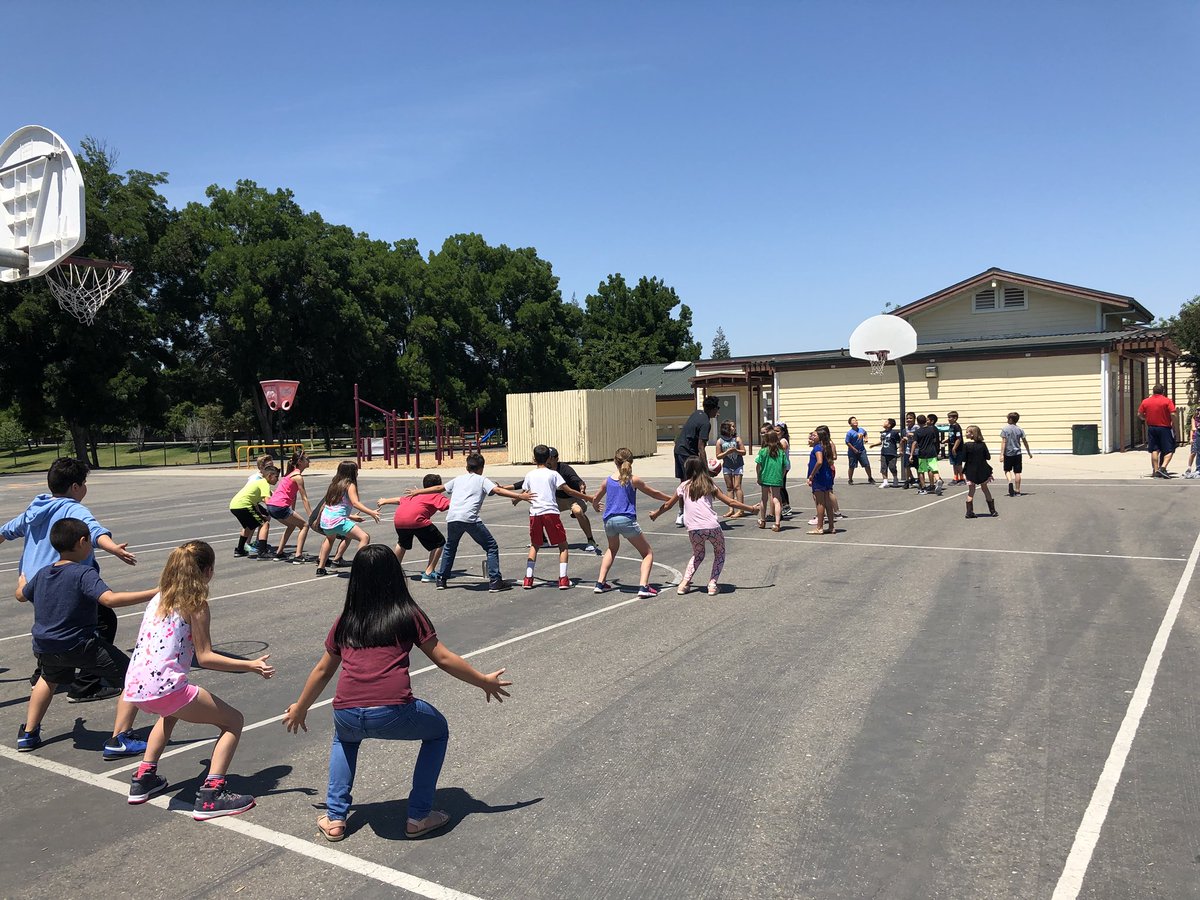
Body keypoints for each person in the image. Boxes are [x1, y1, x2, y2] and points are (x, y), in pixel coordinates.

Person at [283, 545, 511, 842]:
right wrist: (482, 680)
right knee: (437, 731)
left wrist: (301, 707)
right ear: (395, 576)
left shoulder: (346, 620)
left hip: (347, 712)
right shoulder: (408, 614)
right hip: (393, 711)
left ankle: (336, 818)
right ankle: (419, 816)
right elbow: (442, 658)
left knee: (344, 739)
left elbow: (323, 670)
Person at [122, 540, 275, 815]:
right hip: (166, 687)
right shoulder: (196, 604)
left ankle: (144, 778)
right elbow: (205, 657)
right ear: (206, 571)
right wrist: (249, 665)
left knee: (169, 714)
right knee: (233, 721)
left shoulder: (158, 599)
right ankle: (212, 794)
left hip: (135, 688)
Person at [15, 518, 158, 757]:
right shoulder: (83, 573)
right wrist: (155, 592)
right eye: (90, 543)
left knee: (48, 679)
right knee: (132, 677)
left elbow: (21, 595)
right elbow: (109, 600)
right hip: (79, 644)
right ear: (82, 542)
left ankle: (28, 733)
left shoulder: (42, 573)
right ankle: (119, 738)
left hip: (45, 645)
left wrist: (22, 583)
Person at [1, 457, 138, 703]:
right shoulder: (73, 509)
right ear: (75, 487)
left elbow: (5, 531)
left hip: (34, 582)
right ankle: (86, 685)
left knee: (51, 624)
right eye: (84, 483)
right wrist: (114, 548)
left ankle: (43, 672)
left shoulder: (36, 508)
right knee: (103, 620)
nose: (85, 488)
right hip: (65, 579)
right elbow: (93, 532)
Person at [406, 452, 531, 592]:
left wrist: (419, 492)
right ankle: (495, 581)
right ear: (481, 468)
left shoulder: (458, 479)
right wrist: (521, 496)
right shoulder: (482, 479)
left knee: (450, 547)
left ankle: (441, 579)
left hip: (453, 517)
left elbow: (438, 488)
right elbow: (497, 490)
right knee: (491, 546)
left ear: (467, 467)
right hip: (470, 518)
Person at [649, 456, 758, 595]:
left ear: (687, 470)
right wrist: (752, 509)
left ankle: (684, 583)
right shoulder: (709, 484)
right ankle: (712, 584)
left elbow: (668, 505)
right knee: (720, 553)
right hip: (712, 526)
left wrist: (656, 514)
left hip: (694, 528)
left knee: (698, 554)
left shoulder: (683, 486)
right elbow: (731, 502)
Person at [591, 448, 672, 596]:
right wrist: (671, 499)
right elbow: (654, 493)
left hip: (609, 521)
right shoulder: (633, 480)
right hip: (626, 520)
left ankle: (600, 583)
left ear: (615, 461)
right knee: (647, 553)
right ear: (631, 462)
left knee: (611, 549)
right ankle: (643, 586)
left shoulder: (608, 481)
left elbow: (595, 498)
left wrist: (596, 506)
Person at [520, 445, 592, 590]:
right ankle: (563, 579)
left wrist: (515, 499)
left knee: (535, 545)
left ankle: (528, 579)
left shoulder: (529, 475)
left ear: (534, 459)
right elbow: (569, 490)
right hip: (550, 513)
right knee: (563, 546)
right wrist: (589, 498)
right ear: (548, 459)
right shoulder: (553, 474)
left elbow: (523, 492)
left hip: (535, 513)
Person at [378, 474, 450, 582]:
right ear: (438, 487)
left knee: (402, 544)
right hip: (417, 520)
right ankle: (428, 573)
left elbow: (399, 500)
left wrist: (385, 500)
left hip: (399, 520)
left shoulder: (415, 494)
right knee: (439, 543)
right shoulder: (435, 495)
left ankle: (392, 571)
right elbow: (449, 505)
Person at [316, 461, 381, 577]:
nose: (357, 472)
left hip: (326, 519)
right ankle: (360, 567)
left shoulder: (334, 484)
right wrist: (371, 512)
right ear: (351, 472)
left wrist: (350, 516)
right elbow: (355, 503)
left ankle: (320, 568)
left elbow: (333, 506)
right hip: (337, 520)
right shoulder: (350, 485)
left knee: (330, 539)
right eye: (356, 470)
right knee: (364, 537)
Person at [673, 397, 719, 526]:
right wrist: (705, 469)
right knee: (692, 482)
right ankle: (686, 514)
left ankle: (682, 513)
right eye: (717, 408)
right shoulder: (706, 423)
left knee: (684, 481)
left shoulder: (697, 413)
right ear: (713, 409)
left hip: (678, 449)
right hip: (687, 452)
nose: (718, 412)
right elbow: (701, 447)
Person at [264, 451, 316, 563]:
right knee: (305, 525)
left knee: (291, 526)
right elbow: (304, 498)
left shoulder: (289, 475)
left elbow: (293, 495)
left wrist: (292, 509)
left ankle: (279, 553)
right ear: (300, 462)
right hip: (279, 506)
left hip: (271, 507)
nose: (309, 460)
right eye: (306, 459)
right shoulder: (297, 477)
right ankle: (298, 556)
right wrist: (311, 516)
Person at [548, 447, 602, 553]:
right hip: (558, 499)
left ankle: (591, 540)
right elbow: (528, 481)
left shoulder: (564, 469)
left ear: (556, 459)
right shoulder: (545, 470)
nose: (548, 460)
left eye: (551, 458)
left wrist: (582, 490)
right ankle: (542, 540)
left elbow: (579, 481)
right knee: (536, 510)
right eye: (547, 458)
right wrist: (518, 496)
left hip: (574, 498)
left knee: (577, 511)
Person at [230, 465, 279, 558]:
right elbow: (267, 501)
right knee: (265, 524)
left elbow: (255, 503)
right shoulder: (264, 483)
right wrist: (276, 512)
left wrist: (260, 514)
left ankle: (239, 550)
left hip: (234, 505)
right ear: (269, 476)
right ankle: (262, 551)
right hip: (244, 505)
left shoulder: (259, 482)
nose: (277, 480)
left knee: (248, 527)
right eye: (276, 477)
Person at [1138, 384, 1178, 478]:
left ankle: (1156, 471)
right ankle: (1162, 468)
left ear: (1153, 391)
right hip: (1165, 427)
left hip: (1152, 428)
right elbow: (1173, 413)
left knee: (1154, 449)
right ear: (1163, 391)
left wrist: (1145, 418)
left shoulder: (1146, 401)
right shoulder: (1167, 401)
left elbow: (1139, 414)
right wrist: (1174, 424)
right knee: (1170, 449)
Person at [961, 426, 998, 518]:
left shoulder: (967, 445)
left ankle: (969, 512)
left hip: (970, 470)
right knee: (985, 488)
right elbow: (988, 457)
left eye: (967, 432)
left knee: (971, 490)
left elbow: (963, 458)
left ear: (972, 434)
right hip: (982, 469)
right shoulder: (982, 445)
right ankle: (992, 510)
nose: (966, 434)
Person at [754, 429, 786, 531]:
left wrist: (758, 476)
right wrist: (782, 475)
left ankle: (762, 520)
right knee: (776, 499)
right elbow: (785, 466)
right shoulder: (781, 452)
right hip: (776, 477)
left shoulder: (763, 451)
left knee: (764, 498)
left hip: (765, 477)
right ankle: (777, 523)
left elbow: (758, 465)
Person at [807, 428, 836, 534]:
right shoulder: (825, 446)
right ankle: (831, 527)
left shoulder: (818, 447)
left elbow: (819, 462)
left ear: (820, 437)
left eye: (814, 435)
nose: (812, 437)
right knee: (827, 502)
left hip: (820, 477)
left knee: (820, 502)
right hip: (827, 476)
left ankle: (819, 527)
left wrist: (811, 475)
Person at [715, 420, 747, 517]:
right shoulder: (720, 441)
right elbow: (718, 456)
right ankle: (731, 509)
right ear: (726, 428)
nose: (734, 428)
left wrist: (736, 450)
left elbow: (744, 452)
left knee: (737, 486)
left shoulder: (737, 439)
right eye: (732, 426)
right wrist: (726, 453)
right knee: (729, 488)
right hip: (727, 466)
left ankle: (741, 510)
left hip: (738, 465)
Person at [1000, 411, 1033, 496]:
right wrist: (1029, 452)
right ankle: (1017, 490)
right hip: (1017, 453)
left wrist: (1001, 454)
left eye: (1007, 418)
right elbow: (1025, 441)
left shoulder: (1005, 429)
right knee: (1017, 472)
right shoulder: (1020, 429)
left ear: (1010, 419)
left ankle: (1010, 481)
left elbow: (1004, 442)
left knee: (1007, 470)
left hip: (1008, 453)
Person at [911, 414, 944, 495]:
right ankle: (937, 479)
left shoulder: (917, 432)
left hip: (922, 452)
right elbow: (934, 439)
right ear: (925, 421)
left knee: (921, 471)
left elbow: (914, 443)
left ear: (917, 422)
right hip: (932, 452)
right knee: (933, 468)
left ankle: (923, 488)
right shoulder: (931, 430)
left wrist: (911, 454)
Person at [844, 417, 875, 485]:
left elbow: (865, 433)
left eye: (856, 420)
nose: (855, 421)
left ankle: (870, 478)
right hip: (852, 452)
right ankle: (850, 479)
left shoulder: (861, 429)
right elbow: (847, 442)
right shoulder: (849, 433)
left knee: (867, 464)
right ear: (850, 423)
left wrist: (866, 439)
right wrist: (853, 449)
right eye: (853, 420)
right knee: (852, 466)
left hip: (862, 450)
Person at [871, 417, 901, 487]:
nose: (884, 423)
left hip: (892, 452)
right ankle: (885, 481)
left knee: (892, 467)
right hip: (884, 452)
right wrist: (874, 445)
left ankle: (895, 479)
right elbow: (882, 442)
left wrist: (900, 450)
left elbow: (900, 441)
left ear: (889, 425)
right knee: (883, 467)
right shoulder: (883, 433)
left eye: (886, 422)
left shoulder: (894, 433)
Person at [775, 423, 794, 517]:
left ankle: (785, 505)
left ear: (782, 432)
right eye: (774, 431)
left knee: (780, 486)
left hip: (783, 466)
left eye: (777, 431)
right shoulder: (778, 440)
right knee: (782, 486)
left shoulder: (783, 441)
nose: (775, 432)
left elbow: (780, 454)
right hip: (781, 466)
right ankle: (786, 505)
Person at [945, 411, 965, 483]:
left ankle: (961, 478)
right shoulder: (951, 426)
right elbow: (951, 437)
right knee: (953, 463)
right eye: (948, 417)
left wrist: (954, 448)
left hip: (957, 449)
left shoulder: (957, 426)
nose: (948, 419)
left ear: (955, 418)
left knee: (958, 464)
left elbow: (958, 438)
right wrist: (946, 441)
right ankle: (955, 477)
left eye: (950, 417)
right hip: (951, 447)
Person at [901, 411, 919, 489]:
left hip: (917, 450)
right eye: (907, 418)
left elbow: (920, 435)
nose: (908, 420)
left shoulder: (917, 427)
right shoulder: (905, 429)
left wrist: (912, 434)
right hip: (908, 450)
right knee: (907, 466)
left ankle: (920, 480)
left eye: (910, 418)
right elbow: (903, 439)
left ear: (914, 419)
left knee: (918, 467)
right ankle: (908, 480)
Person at [1186, 408, 1200, 477]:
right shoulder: (1194, 419)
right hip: (1195, 437)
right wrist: (1191, 438)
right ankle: (1189, 467)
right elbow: (1192, 429)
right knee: (1193, 453)